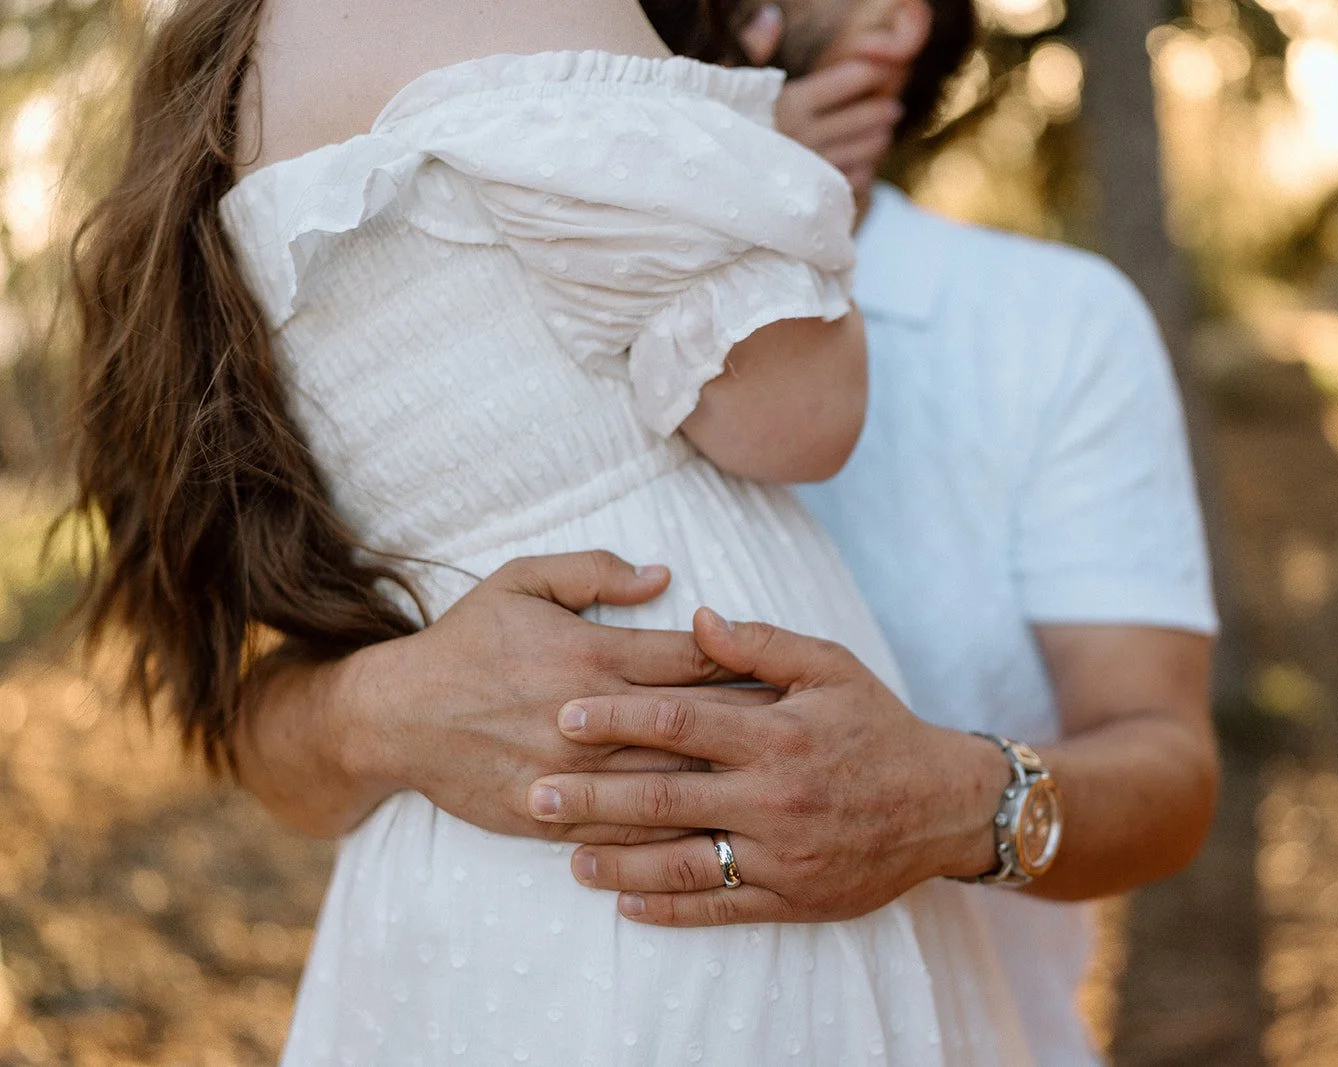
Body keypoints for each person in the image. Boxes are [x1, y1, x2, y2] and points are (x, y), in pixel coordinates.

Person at [227, 1, 1221, 1064]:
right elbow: (250, 726)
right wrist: (381, 708)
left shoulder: (1054, 319)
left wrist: (947, 803)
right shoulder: (436, 230)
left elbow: (1170, 775)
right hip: (508, 990)